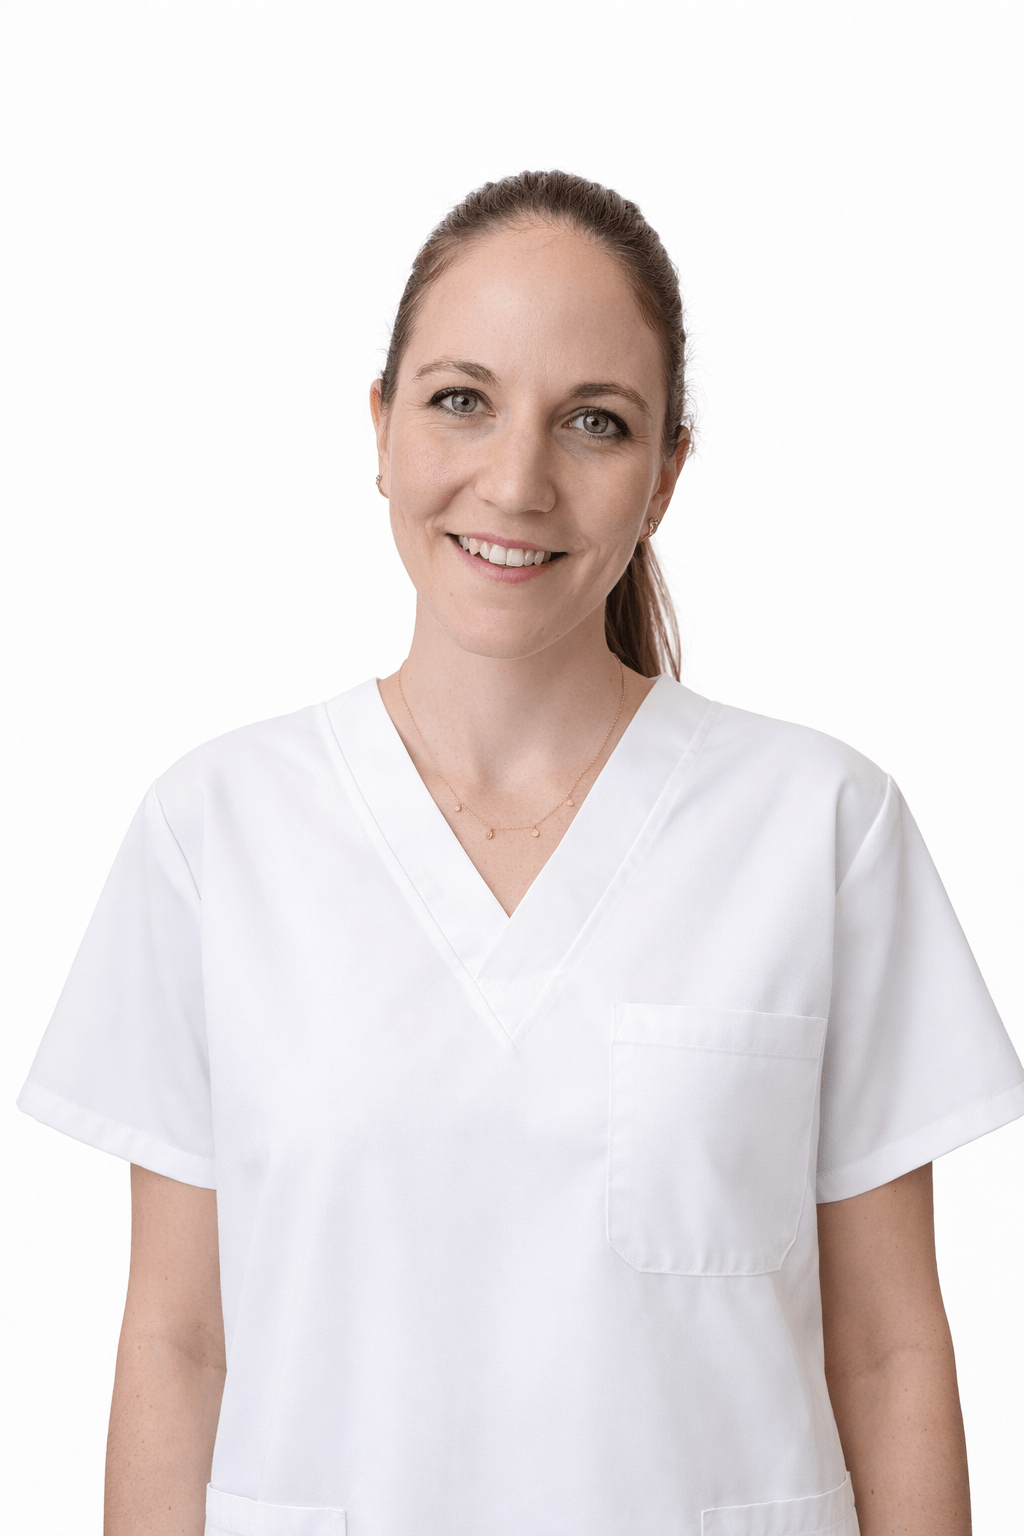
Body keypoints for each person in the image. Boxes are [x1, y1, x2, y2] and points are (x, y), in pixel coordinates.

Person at [18, 170, 1023, 1536]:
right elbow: (179, 1342)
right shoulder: (216, 832)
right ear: (381, 430)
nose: (516, 480)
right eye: (460, 400)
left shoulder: (821, 828)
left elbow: (890, 1348)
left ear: (666, 475)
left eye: (595, 422)